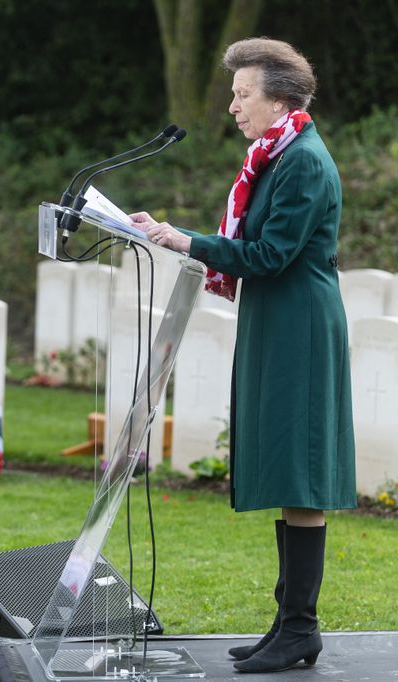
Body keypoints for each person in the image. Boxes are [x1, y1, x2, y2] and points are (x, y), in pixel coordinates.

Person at [130, 38, 353, 674]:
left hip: (300, 325)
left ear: (278, 96)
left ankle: (300, 628)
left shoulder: (303, 162)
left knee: (300, 473)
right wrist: (185, 239)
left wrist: (182, 239)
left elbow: (270, 255)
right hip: (276, 320)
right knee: (287, 469)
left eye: (242, 93)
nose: (233, 106)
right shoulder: (276, 157)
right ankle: (288, 625)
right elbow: (255, 247)